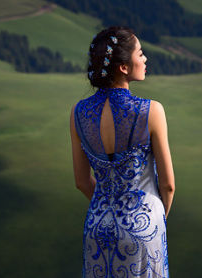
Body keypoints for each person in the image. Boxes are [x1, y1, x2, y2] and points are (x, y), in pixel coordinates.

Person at [69, 26, 174, 278]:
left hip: (97, 226)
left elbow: (82, 182)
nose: (145, 58)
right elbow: (168, 185)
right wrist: (153, 216)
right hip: (143, 227)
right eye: (140, 54)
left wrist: (109, 207)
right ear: (124, 67)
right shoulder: (152, 111)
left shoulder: (78, 113)